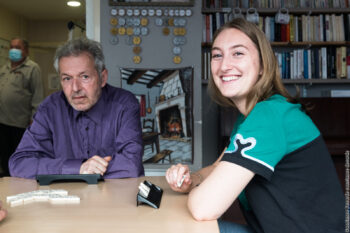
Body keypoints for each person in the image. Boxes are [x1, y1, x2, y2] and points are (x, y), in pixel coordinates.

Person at [166, 18, 344, 233]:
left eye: (238, 53)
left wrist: (196, 193)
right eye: (217, 55)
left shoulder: (269, 115)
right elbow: (216, 167)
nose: (224, 66)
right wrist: (191, 180)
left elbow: (203, 208)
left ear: (262, 65)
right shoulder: (251, 116)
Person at [9, 38, 144, 179]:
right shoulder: (50, 109)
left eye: (84, 77)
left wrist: (59, 169)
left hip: (114, 198)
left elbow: (131, 166)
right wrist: (79, 168)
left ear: (102, 78)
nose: (75, 88)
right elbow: (19, 164)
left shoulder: (124, 105)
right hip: (65, 199)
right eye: (67, 79)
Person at [0, 37, 44, 176]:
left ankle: (19, 182)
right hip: (2, 121)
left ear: (26, 50)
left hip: (21, 123)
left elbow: (38, 95)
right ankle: (6, 183)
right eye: (11, 47)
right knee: (4, 155)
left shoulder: (32, 68)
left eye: (17, 47)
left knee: (19, 157)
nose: (13, 50)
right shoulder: (4, 68)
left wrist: (34, 119)